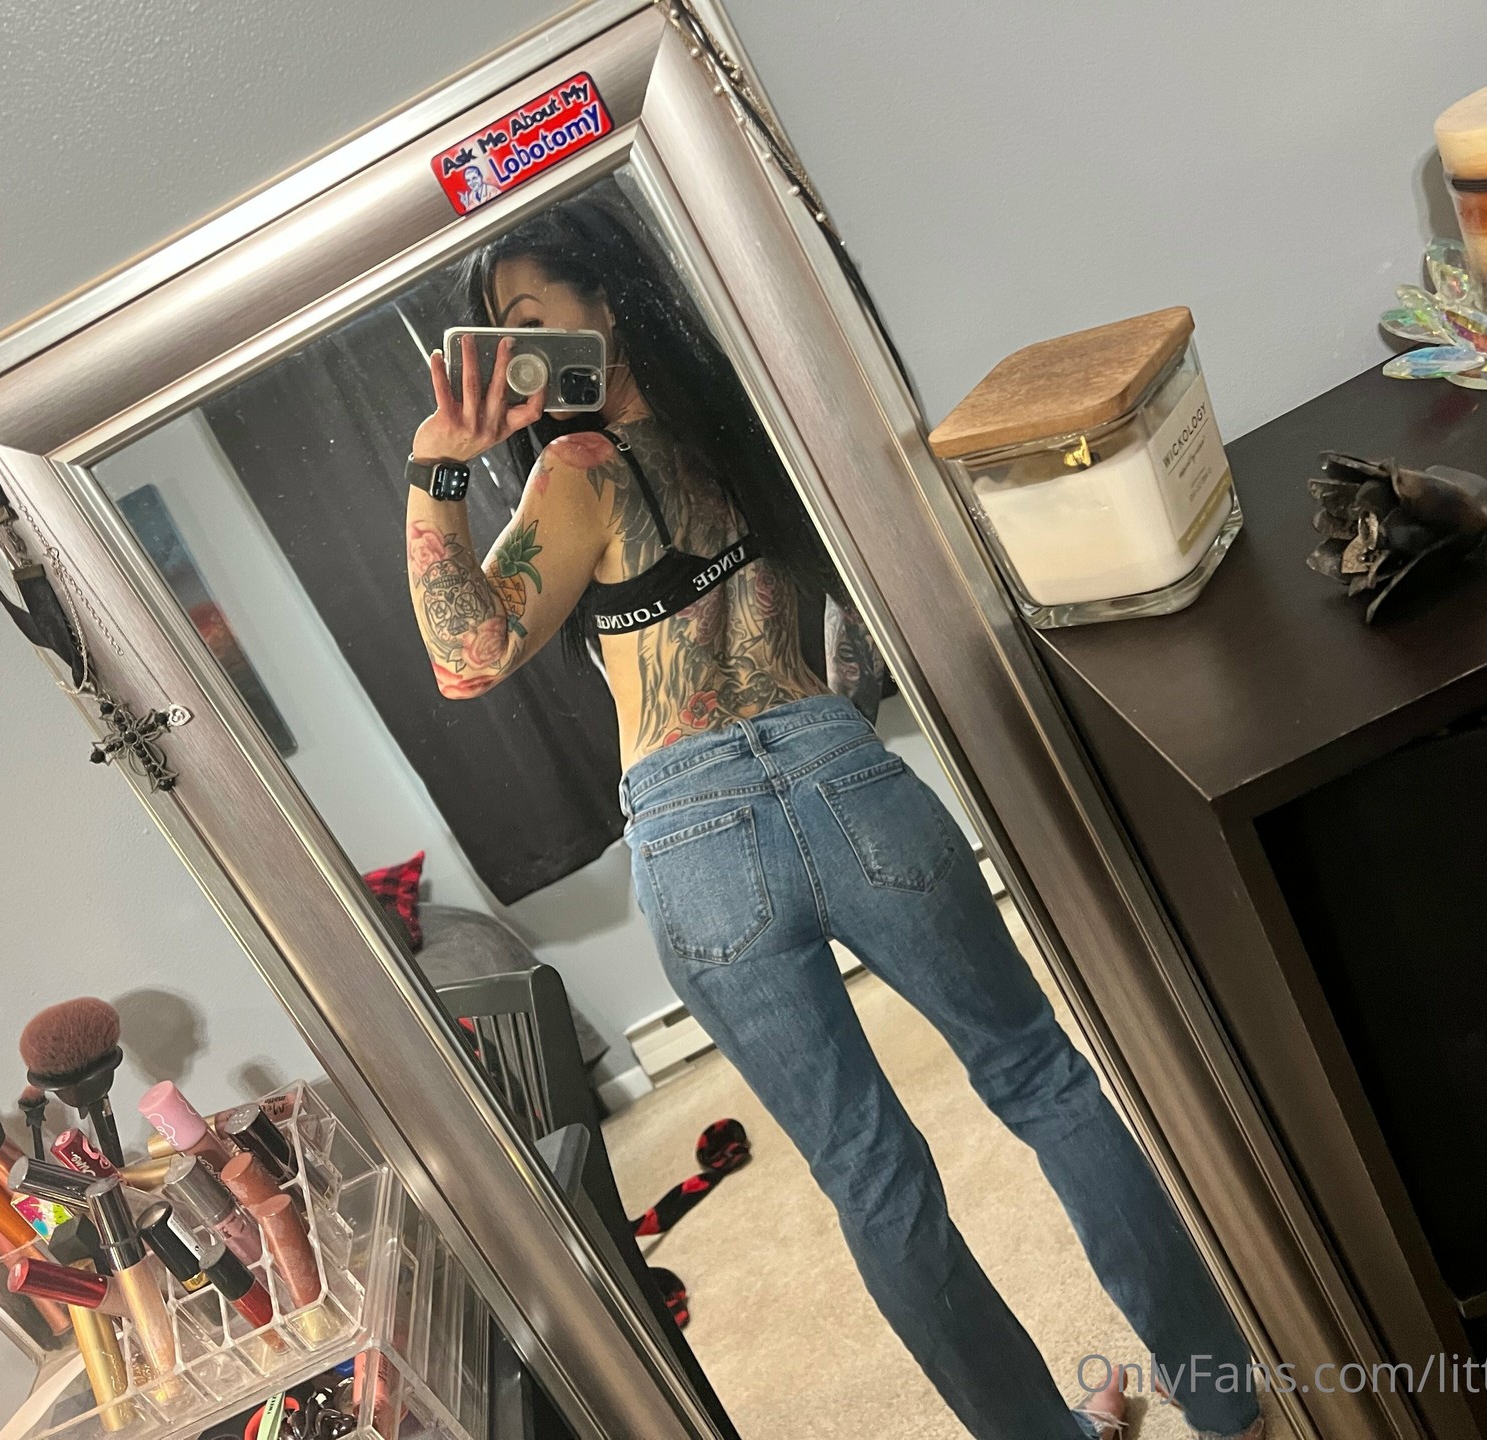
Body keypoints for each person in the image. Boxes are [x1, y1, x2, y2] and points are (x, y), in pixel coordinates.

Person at [402, 196, 1264, 1440]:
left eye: (532, 323)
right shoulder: (748, 423)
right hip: (842, 772)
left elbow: (467, 656)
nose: (518, 359)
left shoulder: (576, 473)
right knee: (1041, 1076)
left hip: (695, 834)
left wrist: (438, 459)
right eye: (499, 335)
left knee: (869, 1171)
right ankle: (1226, 1394)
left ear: (609, 309)